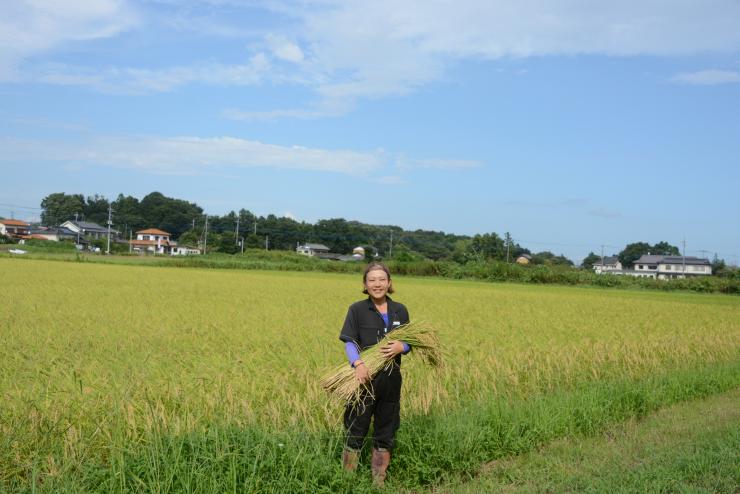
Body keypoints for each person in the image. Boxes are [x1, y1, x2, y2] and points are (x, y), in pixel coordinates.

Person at [339, 262, 411, 486]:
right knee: (356, 428)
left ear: (389, 283)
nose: (377, 284)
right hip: (363, 378)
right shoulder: (357, 310)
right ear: (365, 284)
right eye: (372, 280)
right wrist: (358, 364)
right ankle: (347, 481)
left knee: (386, 430)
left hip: (391, 380)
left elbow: (410, 340)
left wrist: (403, 347)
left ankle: (378, 482)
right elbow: (350, 341)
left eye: (381, 279)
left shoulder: (400, 310)